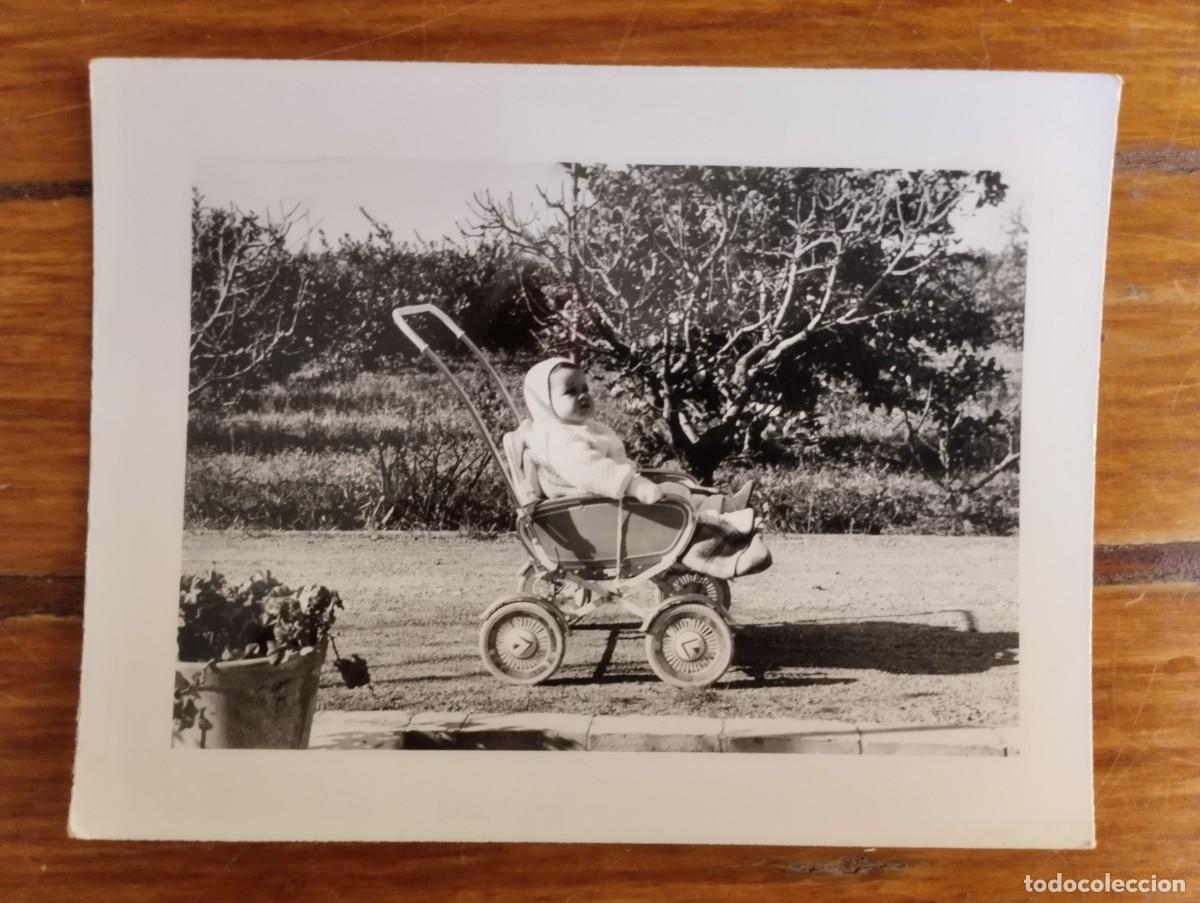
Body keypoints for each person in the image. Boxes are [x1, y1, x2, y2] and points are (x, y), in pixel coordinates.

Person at [521, 356, 770, 578]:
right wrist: (632, 484)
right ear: (546, 404)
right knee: (676, 509)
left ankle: (726, 509)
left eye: (584, 388)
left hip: (611, 498)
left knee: (677, 489)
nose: (582, 395)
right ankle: (727, 542)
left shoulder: (577, 428)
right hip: (600, 503)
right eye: (570, 392)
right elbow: (590, 470)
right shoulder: (559, 438)